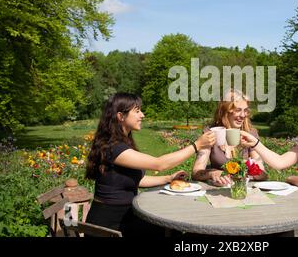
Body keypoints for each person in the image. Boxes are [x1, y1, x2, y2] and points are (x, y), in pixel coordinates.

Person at [85, 93, 215, 236]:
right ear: (121, 116)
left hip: (125, 217)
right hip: (110, 226)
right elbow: (159, 164)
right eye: (137, 111)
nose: (142, 115)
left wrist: (168, 179)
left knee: (173, 228)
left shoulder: (122, 143)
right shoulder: (113, 148)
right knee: (172, 230)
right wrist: (197, 145)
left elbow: (137, 179)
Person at [192, 89, 268, 186]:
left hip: (244, 189)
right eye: (238, 110)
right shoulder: (211, 133)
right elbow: (196, 173)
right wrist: (213, 173)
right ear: (225, 111)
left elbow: (263, 175)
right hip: (218, 189)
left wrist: (250, 167)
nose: (243, 115)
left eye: (245, 111)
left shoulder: (250, 134)